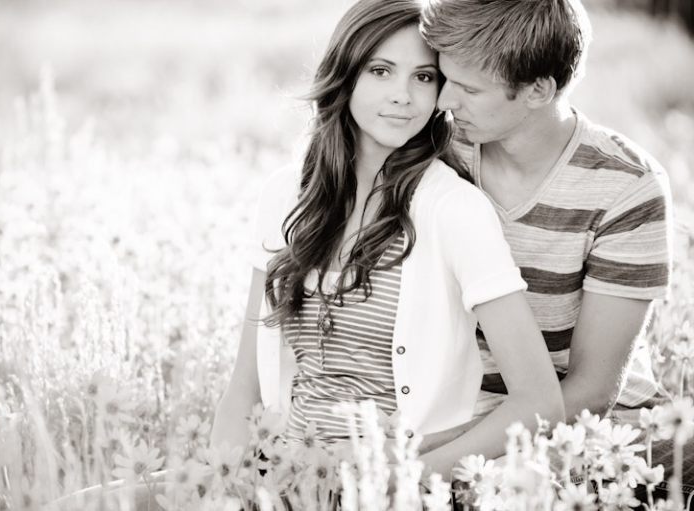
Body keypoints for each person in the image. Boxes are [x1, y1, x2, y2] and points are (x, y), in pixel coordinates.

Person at [210, 0, 564, 480]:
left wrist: (402, 479)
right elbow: (244, 388)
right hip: (280, 471)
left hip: (383, 483)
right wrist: (224, 481)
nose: (404, 96)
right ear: (345, 73)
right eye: (381, 71)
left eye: (423, 77)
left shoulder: (453, 209)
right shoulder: (285, 195)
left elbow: (540, 403)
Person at [420, 0, 689, 499]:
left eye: (469, 89)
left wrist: (434, 464)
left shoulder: (626, 184)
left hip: (593, 428)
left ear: (539, 90)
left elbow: (592, 389)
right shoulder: (436, 157)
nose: (443, 102)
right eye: (443, 79)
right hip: (457, 422)